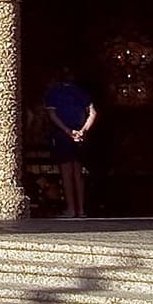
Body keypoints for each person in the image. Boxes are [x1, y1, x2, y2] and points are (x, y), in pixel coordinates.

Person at [43, 67, 97, 218]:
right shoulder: (80, 92)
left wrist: (67, 131)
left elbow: (52, 115)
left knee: (66, 173)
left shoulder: (53, 93)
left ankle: (71, 209)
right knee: (78, 173)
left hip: (63, 135)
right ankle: (81, 210)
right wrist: (83, 130)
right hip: (79, 135)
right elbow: (92, 112)